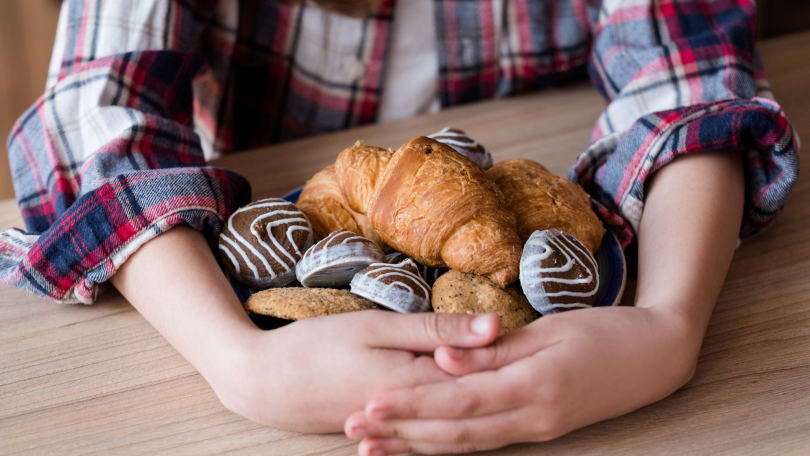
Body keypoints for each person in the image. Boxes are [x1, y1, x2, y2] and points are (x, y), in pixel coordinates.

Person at [1, 0, 798, 454]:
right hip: (282, 273)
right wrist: (236, 357)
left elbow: (689, 86)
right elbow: (92, 121)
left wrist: (668, 323)